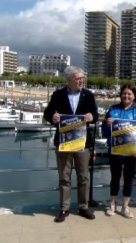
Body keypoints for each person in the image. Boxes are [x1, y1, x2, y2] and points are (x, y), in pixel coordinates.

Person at [43, 65, 98, 223]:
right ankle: (64, 208)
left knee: (83, 177)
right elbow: (47, 112)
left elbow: (95, 114)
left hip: (82, 144)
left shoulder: (88, 95)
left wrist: (91, 117)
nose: (81, 81)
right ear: (69, 80)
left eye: (82, 78)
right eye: (78, 78)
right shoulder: (58, 95)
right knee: (64, 178)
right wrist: (53, 117)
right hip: (64, 143)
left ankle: (83, 207)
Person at [101, 84, 136, 219]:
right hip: (115, 151)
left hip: (131, 153)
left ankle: (125, 207)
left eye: (129, 94)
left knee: (128, 180)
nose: (126, 96)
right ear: (120, 95)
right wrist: (106, 125)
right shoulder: (112, 109)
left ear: (134, 95)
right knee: (114, 179)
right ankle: (112, 204)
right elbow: (104, 131)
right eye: (124, 93)